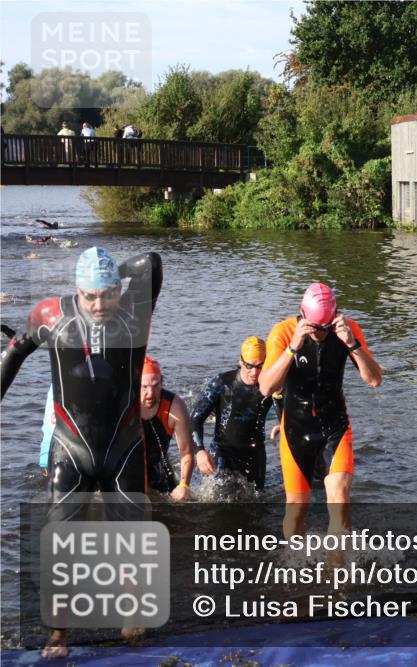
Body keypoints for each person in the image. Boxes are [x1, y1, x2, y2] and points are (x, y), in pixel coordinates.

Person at [0, 246, 162, 658]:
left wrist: (117, 273)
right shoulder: (51, 317)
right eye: (90, 295)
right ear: (77, 290)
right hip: (70, 447)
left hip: (124, 445)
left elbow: (152, 263)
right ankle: (58, 637)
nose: (100, 303)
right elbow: (15, 352)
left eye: (108, 292)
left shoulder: (134, 313)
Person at [258, 283, 381, 538]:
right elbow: (266, 387)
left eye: (325, 328)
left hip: (334, 426)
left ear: (335, 316)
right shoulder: (283, 332)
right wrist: (292, 348)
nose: (319, 334)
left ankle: (338, 571)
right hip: (296, 430)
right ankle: (296, 570)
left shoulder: (348, 329)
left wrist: (352, 344)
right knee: (297, 508)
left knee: (339, 499)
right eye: (314, 327)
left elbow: (375, 380)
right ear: (303, 316)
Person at [190, 336, 281, 492]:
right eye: (249, 366)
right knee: (221, 500)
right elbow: (195, 418)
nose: (254, 372)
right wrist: (199, 451)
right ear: (240, 361)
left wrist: (282, 422)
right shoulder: (222, 383)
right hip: (223, 452)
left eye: (260, 366)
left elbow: (289, 407)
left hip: (255, 454)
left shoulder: (272, 386)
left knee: (256, 505)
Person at [140, 356, 204, 501]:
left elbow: (187, 452)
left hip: (158, 464)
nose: (150, 393)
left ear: (162, 383)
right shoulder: (125, 405)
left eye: (156, 385)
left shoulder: (175, 406)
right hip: (128, 468)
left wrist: (184, 485)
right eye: (144, 387)